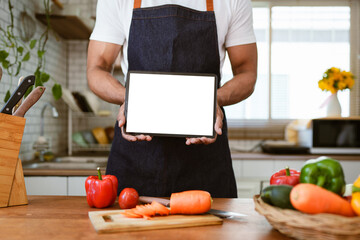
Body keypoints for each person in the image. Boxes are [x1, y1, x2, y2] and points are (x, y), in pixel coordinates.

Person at [87, 0, 257, 198]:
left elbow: (247, 72)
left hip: (204, 161)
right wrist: (131, 99)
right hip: (136, 157)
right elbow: (96, 69)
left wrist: (213, 100)